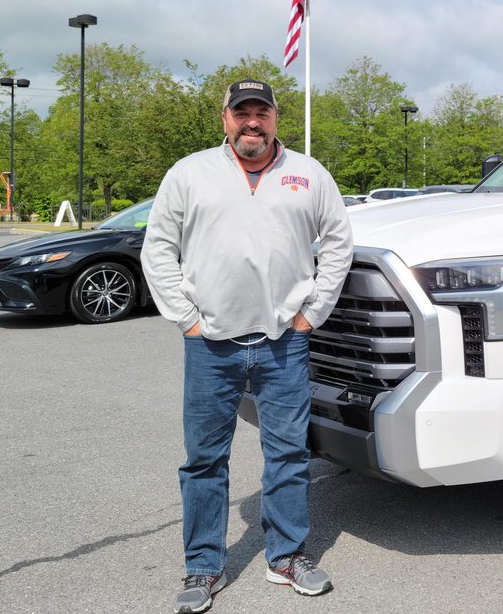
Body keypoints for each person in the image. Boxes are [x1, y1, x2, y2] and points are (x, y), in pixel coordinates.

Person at [141, 79, 353, 614]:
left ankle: (287, 556)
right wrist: (187, 320)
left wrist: (310, 316)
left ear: (276, 119)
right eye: (242, 113)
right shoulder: (190, 173)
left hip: (285, 342)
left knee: (287, 454)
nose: (251, 122)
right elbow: (158, 248)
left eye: (262, 112)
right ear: (225, 119)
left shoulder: (309, 175)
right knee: (205, 460)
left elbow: (339, 245)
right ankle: (204, 566)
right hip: (211, 344)